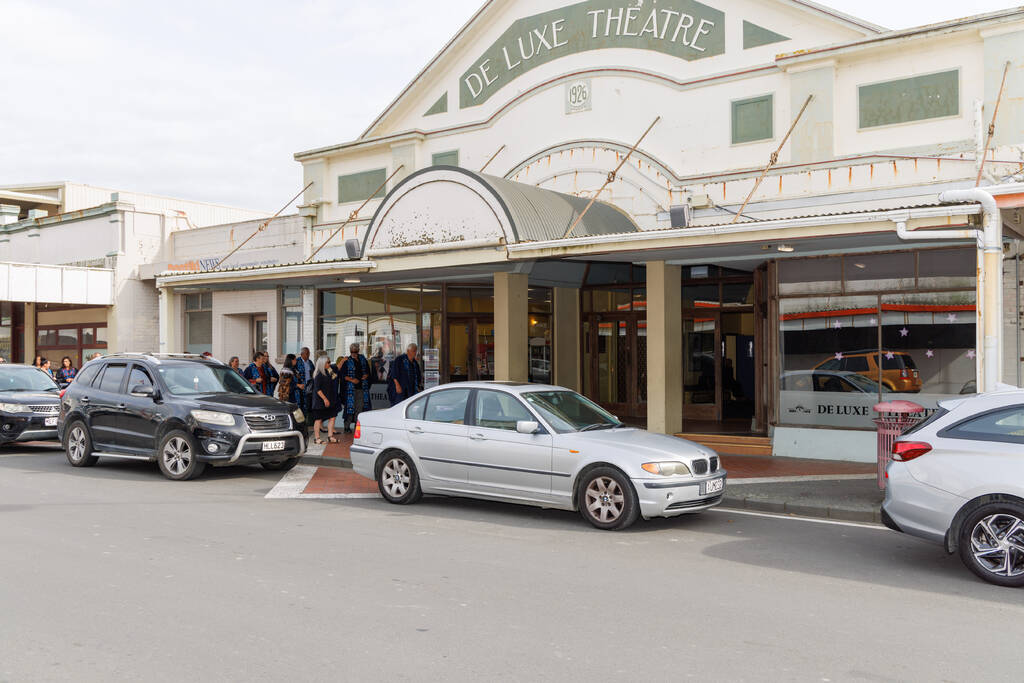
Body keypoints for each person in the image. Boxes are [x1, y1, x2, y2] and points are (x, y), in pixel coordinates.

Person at [340, 343, 372, 433]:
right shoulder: (347, 360)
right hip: (351, 389)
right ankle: (347, 426)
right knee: (350, 408)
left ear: (358, 351)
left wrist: (366, 376)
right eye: (352, 351)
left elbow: (368, 372)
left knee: (360, 407)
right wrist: (351, 380)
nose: (353, 353)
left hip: (362, 388)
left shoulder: (363, 359)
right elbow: (342, 375)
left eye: (355, 351)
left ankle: (357, 426)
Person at [310, 355, 337, 445]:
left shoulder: (328, 371)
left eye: (330, 362)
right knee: (318, 419)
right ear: (323, 363)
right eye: (328, 362)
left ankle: (330, 436)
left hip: (330, 399)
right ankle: (317, 438)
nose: (330, 364)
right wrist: (325, 399)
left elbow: (335, 378)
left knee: (332, 417)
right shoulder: (318, 374)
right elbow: (318, 389)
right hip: (320, 400)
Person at [296, 347, 314, 414]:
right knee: (301, 404)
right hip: (300, 387)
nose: (308, 355)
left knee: (308, 404)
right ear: (302, 354)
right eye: (307, 353)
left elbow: (314, 372)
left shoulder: (310, 362)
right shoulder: (297, 362)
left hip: (309, 386)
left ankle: (307, 420)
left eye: (309, 353)